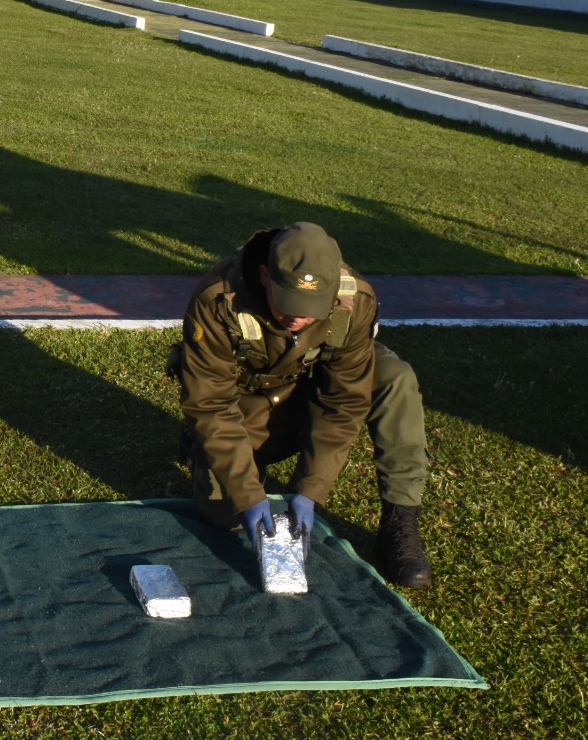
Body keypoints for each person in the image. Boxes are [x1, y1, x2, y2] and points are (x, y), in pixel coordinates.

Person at [171, 222, 433, 588]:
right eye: (288, 303)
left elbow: (343, 402)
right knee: (221, 511)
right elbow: (211, 403)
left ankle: (400, 520)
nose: (297, 318)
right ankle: (209, 449)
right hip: (251, 399)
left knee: (395, 378)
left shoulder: (354, 301)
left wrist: (311, 489)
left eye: (311, 309)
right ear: (264, 276)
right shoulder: (218, 300)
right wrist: (247, 494)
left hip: (312, 384)